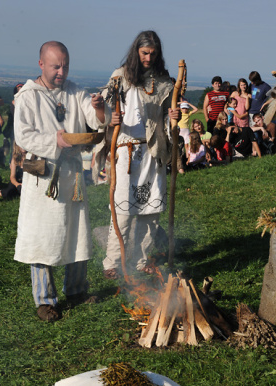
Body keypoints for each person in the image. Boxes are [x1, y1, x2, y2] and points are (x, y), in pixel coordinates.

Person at [14, 41, 108, 322]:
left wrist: (99, 107)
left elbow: (97, 121)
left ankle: (77, 290)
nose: (61, 71)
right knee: (42, 236)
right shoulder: (28, 96)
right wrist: (54, 140)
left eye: (65, 66)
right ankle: (44, 300)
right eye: (56, 66)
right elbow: (24, 136)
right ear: (41, 63)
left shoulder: (75, 92)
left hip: (73, 174)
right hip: (43, 177)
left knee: (76, 233)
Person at [101, 30, 180, 280]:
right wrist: (109, 116)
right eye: (145, 53)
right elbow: (104, 105)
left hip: (153, 150)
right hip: (127, 148)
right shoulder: (120, 76)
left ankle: (141, 259)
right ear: (137, 51)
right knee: (123, 211)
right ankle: (113, 261)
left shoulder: (164, 80)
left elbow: (169, 110)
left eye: (153, 54)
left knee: (150, 209)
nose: (148, 57)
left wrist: (173, 116)